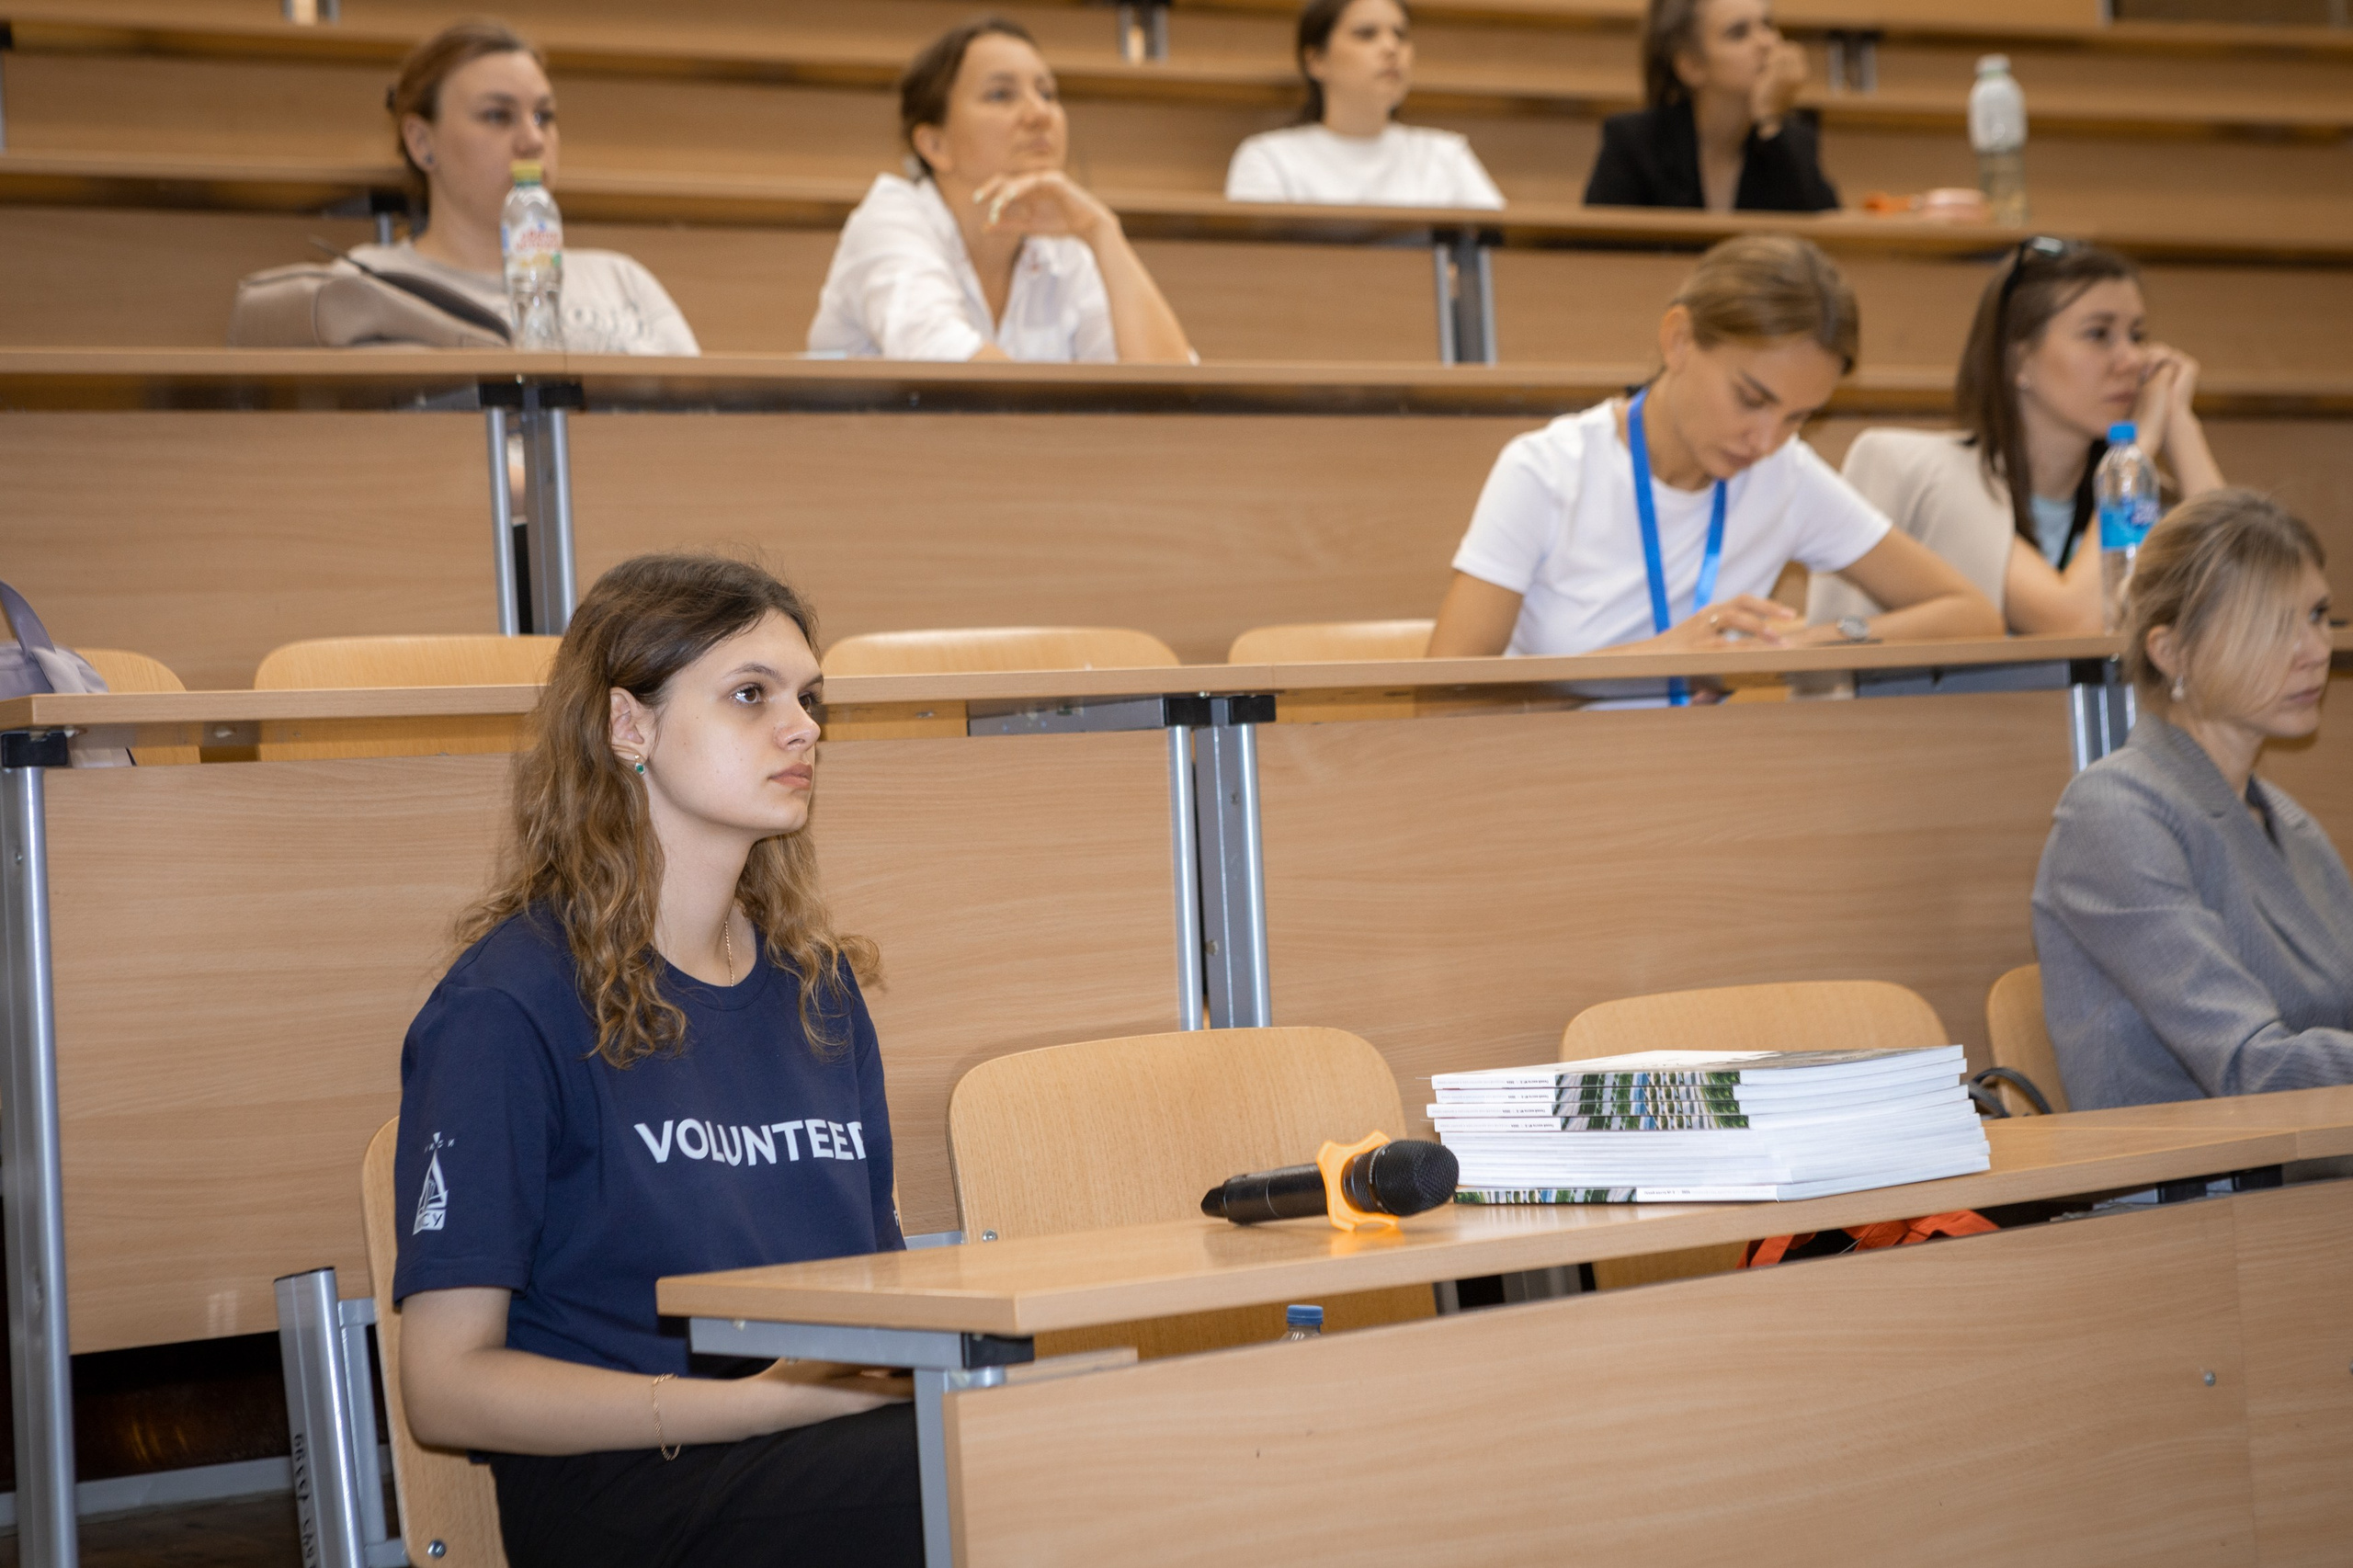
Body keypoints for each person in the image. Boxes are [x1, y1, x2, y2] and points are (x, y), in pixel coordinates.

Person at [392, 555, 918, 1568]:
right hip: (636, 1490)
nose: (803, 725)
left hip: (825, 1449)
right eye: (750, 695)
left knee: (1077, 1433)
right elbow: (445, 1385)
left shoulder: (819, 989)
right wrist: (754, 1405)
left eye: (807, 697)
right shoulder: (506, 1005)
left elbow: (878, 1298)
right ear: (629, 727)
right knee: (972, 1476)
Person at [1427, 235, 1998, 697]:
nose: (1766, 440)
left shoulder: (1786, 477)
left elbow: (1969, 614)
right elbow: (1447, 688)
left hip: (1707, 786)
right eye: (1751, 400)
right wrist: (1658, 661)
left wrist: (1811, 645)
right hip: (1544, 784)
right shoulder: (1546, 470)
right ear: (1678, 340)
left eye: (1798, 418)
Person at [2032, 490, 2349, 1110]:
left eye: (2316, 614)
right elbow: (2247, 1065)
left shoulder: (2291, 823)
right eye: (2276, 626)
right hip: (2203, 1197)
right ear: (2171, 651)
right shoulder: (2114, 809)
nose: (2316, 650)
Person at [1812, 239, 2225, 635]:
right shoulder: (1930, 475)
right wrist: (2136, 450)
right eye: (2099, 334)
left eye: (2137, 335)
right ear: (2018, 360)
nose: (2133, 360)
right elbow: (2072, 623)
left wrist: (2180, 426)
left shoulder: (2142, 498)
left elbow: (2247, 612)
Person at [808, 18, 1193, 362]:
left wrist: (1101, 231)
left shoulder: (1067, 246)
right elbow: (957, 374)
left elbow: (1175, 394)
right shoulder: (889, 221)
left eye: (1047, 93)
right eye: (1001, 95)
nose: (1040, 114)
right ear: (934, 145)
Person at [362, 20, 699, 355]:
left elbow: (706, 406)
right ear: (422, 142)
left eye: (544, 116)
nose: (533, 140)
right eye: (497, 115)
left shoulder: (622, 282)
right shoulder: (366, 287)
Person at [1224, 0, 1504, 209]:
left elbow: (1497, 261)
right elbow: (1257, 269)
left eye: (1400, 35)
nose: (1391, 48)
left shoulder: (1446, 155)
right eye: (1367, 34)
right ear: (1316, 61)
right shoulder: (1269, 159)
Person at [1584, 0, 1837, 213]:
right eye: (1739, 33)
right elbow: (1591, 254)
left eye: (1767, 25)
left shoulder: (1789, 142)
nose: (1767, 43)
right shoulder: (1634, 143)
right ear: (1691, 65)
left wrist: (1770, 119)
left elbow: (1822, 243)